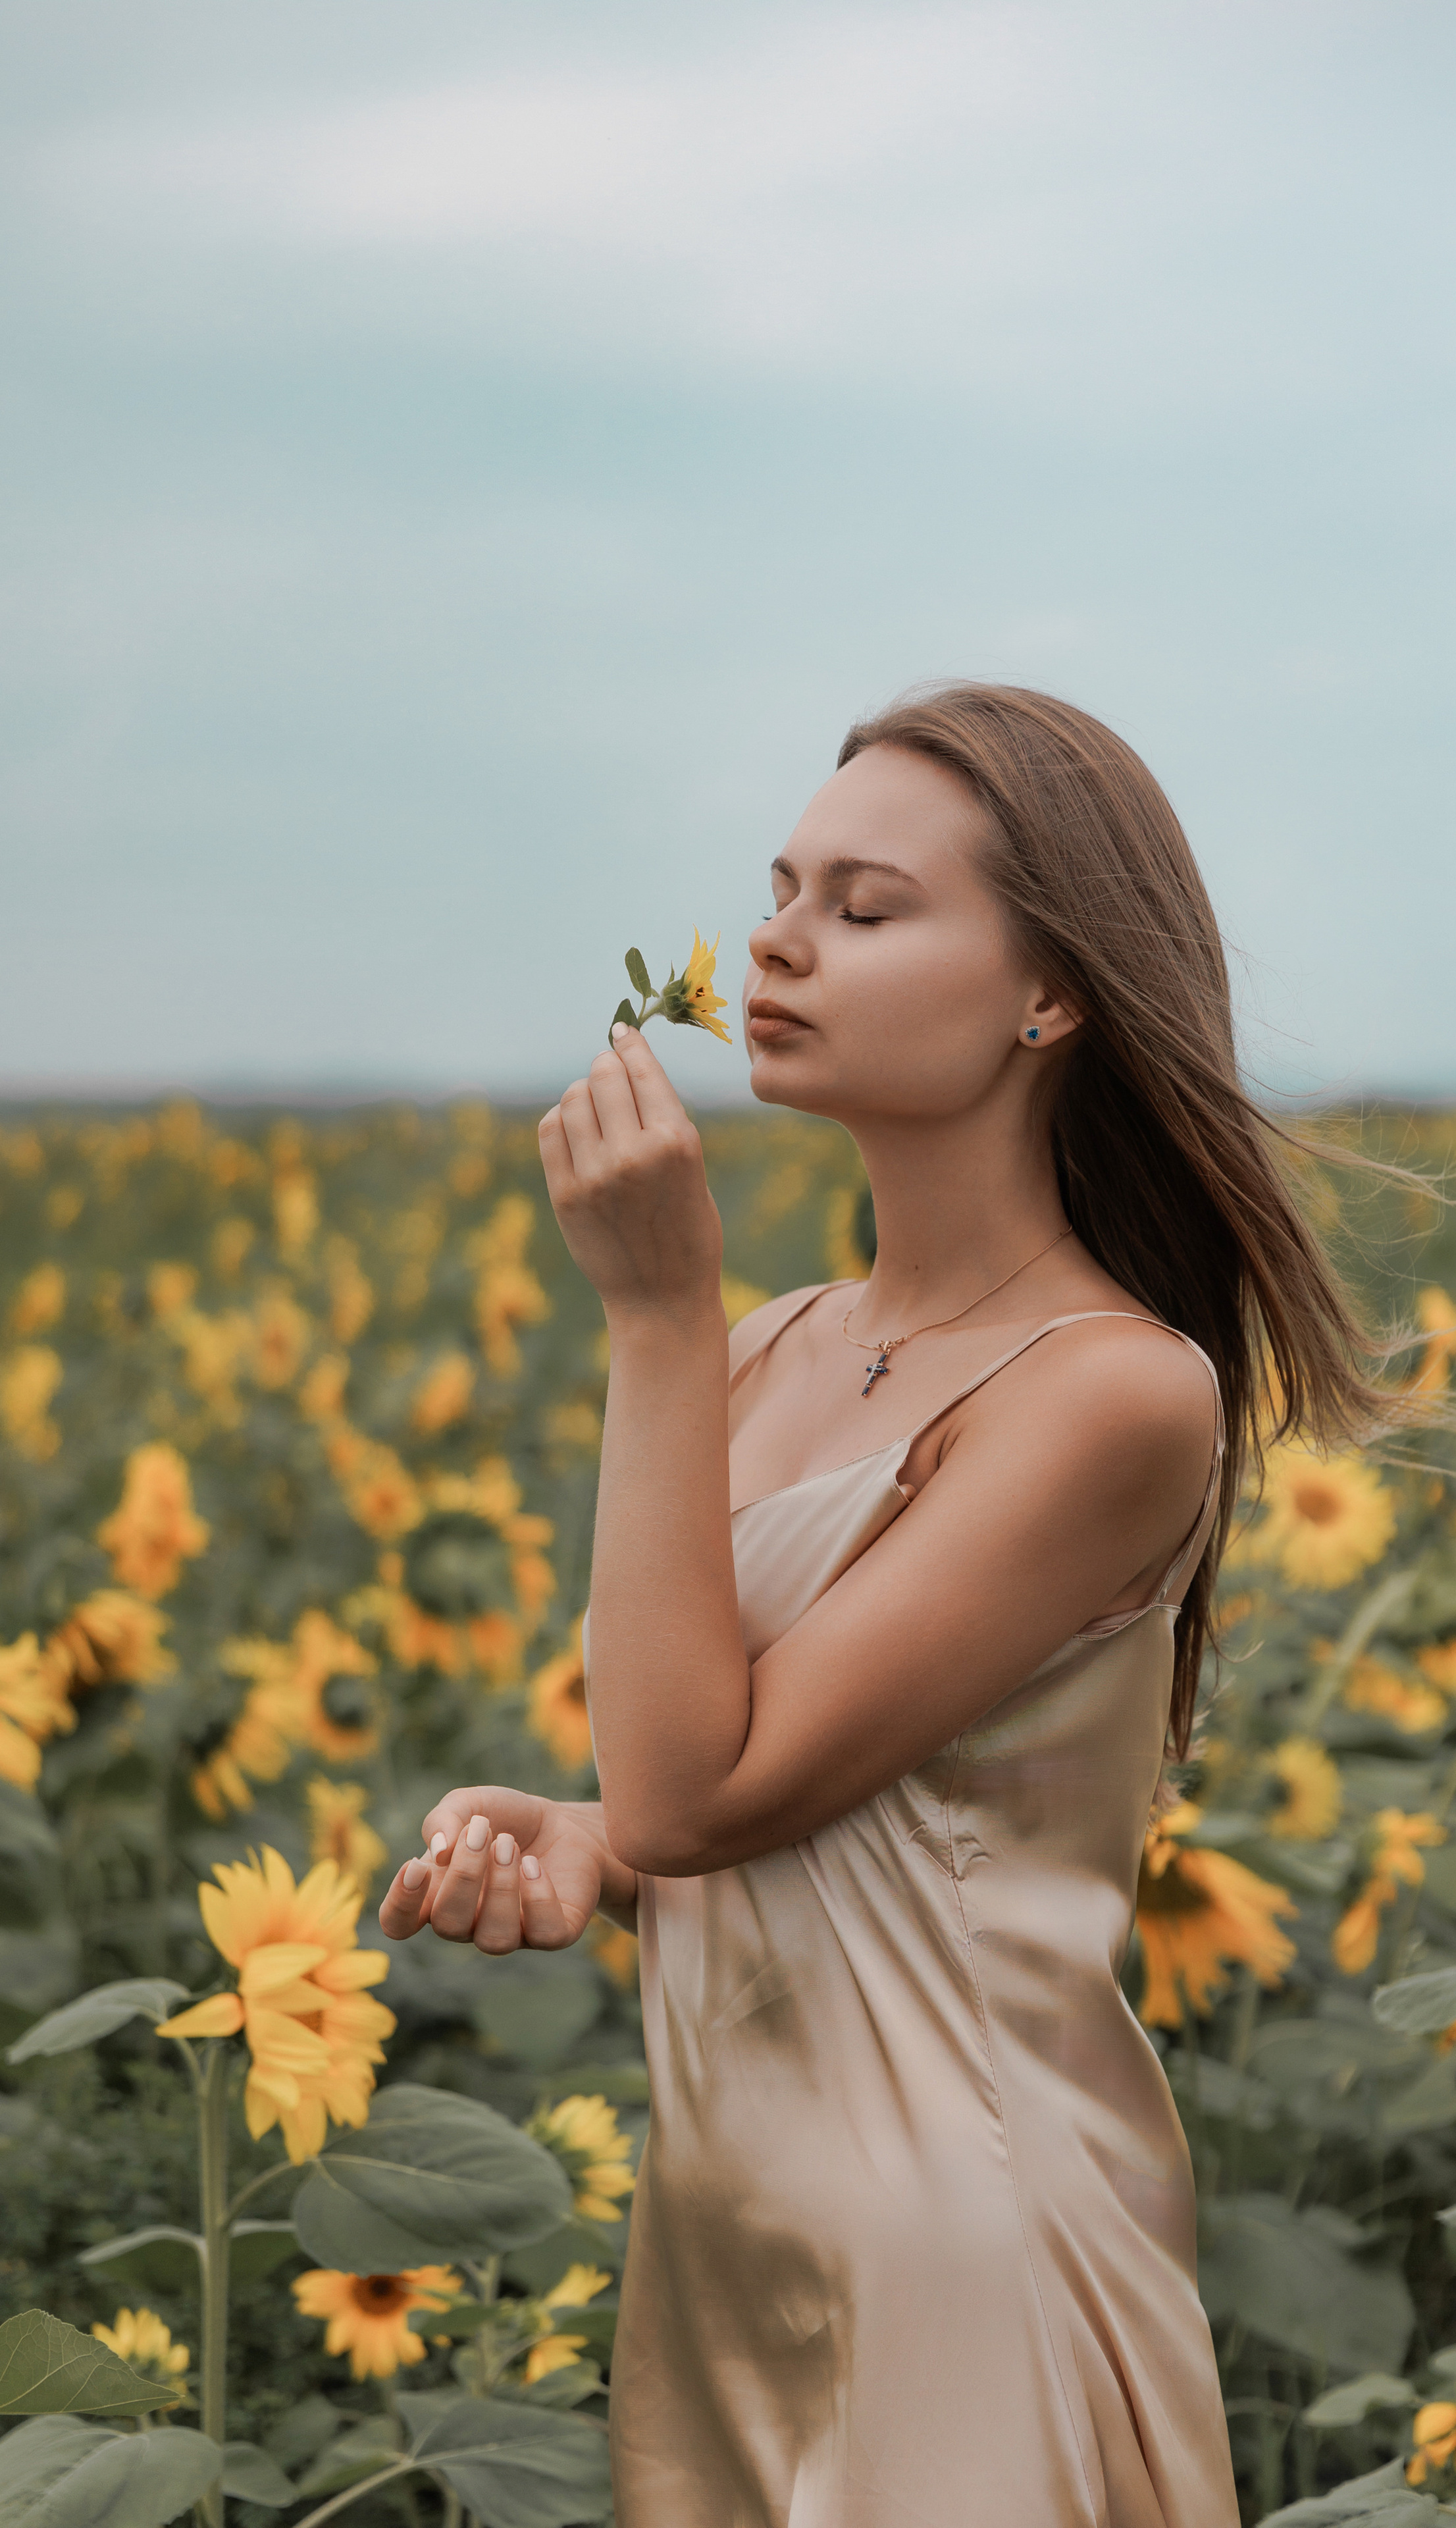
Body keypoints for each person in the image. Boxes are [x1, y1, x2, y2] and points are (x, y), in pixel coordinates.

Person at [380, 683, 1393, 2527]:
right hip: (723, 2246)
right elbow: (745, 1789)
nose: (775, 940)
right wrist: (592, 1846)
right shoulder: (771, 1352)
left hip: (960, 2253)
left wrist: (651, 1315)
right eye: (781, 890)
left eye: (867, 906)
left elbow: (708, 1786)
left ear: (1050, 994)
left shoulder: (1110, 1391)